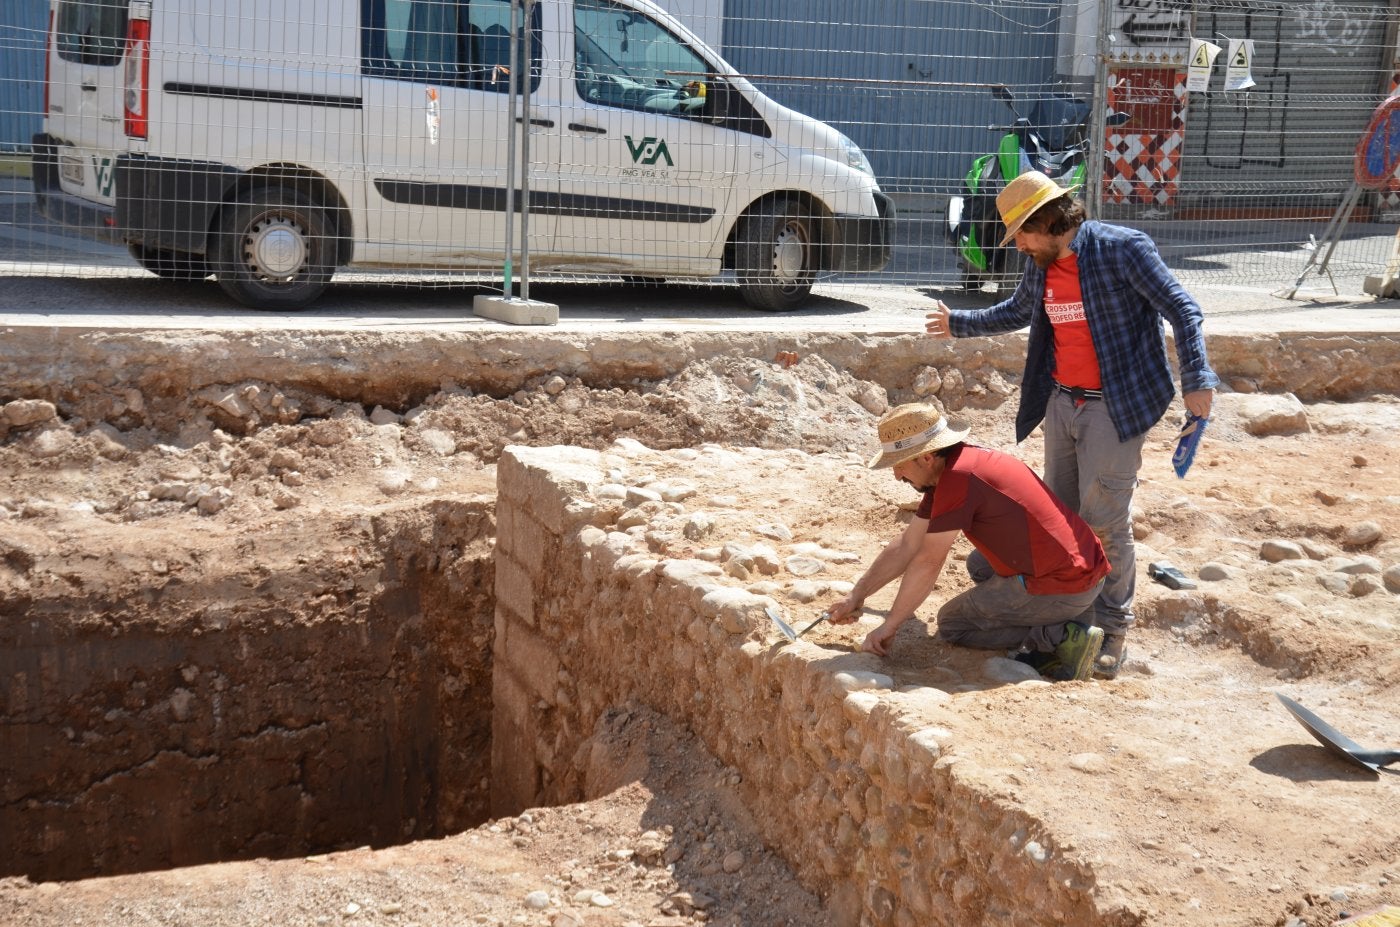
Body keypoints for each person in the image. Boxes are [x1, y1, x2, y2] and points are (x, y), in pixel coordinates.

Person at [924, 171, 1219, 678]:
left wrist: (1198, 376)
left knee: (1103, 520)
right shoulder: (1042, 263)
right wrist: (959, 325)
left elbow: (1184, 310)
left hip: (1116, 404)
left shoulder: (1123, 249)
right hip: (1063, 402)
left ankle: (1113, 628)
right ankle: (1071, 620)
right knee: (1060, 520)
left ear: (1047, 220)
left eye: (1021, 232)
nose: (1017, 245)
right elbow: (1018, 311)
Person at [826, 403, 1111, 682]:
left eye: (899, 465)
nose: (896, 475)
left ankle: (1061, 636)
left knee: (954, 624)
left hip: (1068, 582)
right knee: (979, 564)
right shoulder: (956, 467)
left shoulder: (958, 480)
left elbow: (927, 561)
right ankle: (1065, 612)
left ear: (925, 458)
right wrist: (857, 595)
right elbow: (907, 544)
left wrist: (889, 627)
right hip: (1081, 566)